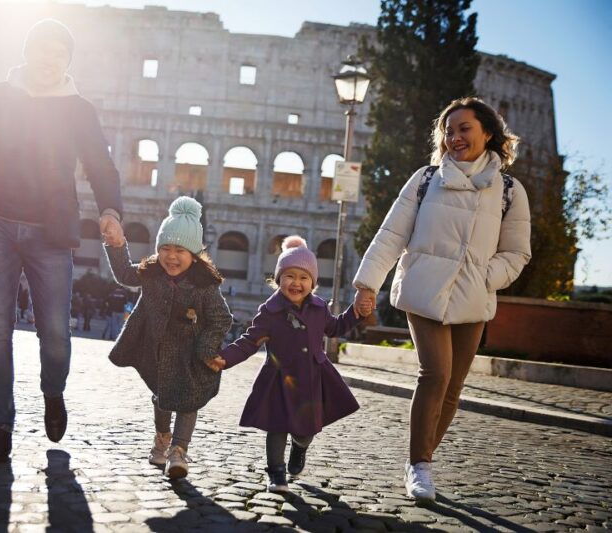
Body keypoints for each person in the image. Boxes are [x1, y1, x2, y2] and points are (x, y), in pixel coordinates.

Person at [0, 19, 124, 464]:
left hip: (51, 231)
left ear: (68, 60)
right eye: (42, 49)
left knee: (54, 333)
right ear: (27, 52)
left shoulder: (79, 110)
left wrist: (111, 210)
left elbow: (100, 165)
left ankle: (53, 391)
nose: (49, 59)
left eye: (59, 53)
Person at [352, 97, 531, 501]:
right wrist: (368, 284)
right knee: (434, 373)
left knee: (454, 386)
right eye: (448, 131)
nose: (454, 137)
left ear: (488, 133)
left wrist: (487, 276)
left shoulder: (509, 190)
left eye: (464, 128)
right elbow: (391, 235)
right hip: (424, 288)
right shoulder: (425, 180)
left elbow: (517, 252)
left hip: (473, 294)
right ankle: (419, 466)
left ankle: (424, 458)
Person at [206, 236, 372, 492]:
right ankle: (276, 474)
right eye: (289, 276)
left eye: (304, 277)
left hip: (312, 378)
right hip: (279, 378)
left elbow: (336, 327)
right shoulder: (269, 312)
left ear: (312, 283)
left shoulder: (319, 309)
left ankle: (300, 447)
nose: (296, 282)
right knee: (277, 427)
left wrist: (356, 313)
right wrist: (226, 358)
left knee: (306, 431)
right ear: (278, 279)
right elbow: (250, 342)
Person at [103, 197, 232, 479]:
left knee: (189, 400)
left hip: (191, 353)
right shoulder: (151, 273)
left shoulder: (204, 285)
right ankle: (162, 437)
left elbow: (222, 318)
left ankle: (179, 451)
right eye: (165, 249)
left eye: (179, 250)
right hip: (156, 349)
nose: (171, 257)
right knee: (162, 397)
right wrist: (116, 245)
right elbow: (125, 273)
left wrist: (208, 347)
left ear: (194, 254)